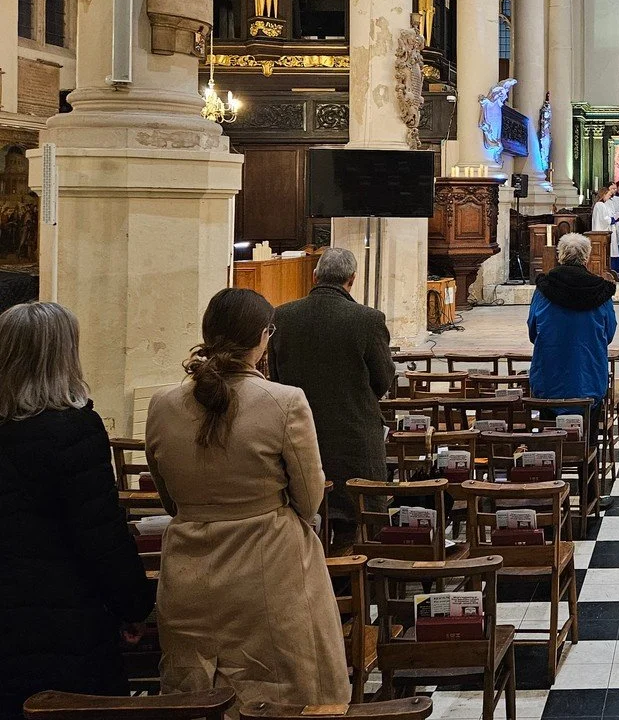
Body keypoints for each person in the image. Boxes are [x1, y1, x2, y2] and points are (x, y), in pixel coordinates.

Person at [146, 288, 349, 706]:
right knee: (280, 693)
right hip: (268, 568)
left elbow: (168, 499)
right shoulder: (285, 401)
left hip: (190, 572)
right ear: (262, 336)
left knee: (197, 693)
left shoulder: (162, 403)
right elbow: (309, 499)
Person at [0, 302, 154, 720]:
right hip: (62, 620)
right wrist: (133, 606)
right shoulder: (74, 429)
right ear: (64, 356)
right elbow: (100, 534)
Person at [269, 246, 392, 549]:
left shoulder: (282, 316)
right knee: (357, 518)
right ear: (352, 278)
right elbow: (383, 380)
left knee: (308, 513)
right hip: (354, 436)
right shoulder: (368, 320)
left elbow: (276, 378)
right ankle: (357, 584)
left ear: (315, 276)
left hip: (300, 432)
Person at [528, 232, 618, 441]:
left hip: (550, 378)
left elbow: (533, 330)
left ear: (560, 256)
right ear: (586, 257)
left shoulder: (543, 290)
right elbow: (609, 332)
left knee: (548, 439)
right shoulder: (600, 291)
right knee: (588, 439)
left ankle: (549, 470)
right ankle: (589, 468)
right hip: (588, 378)